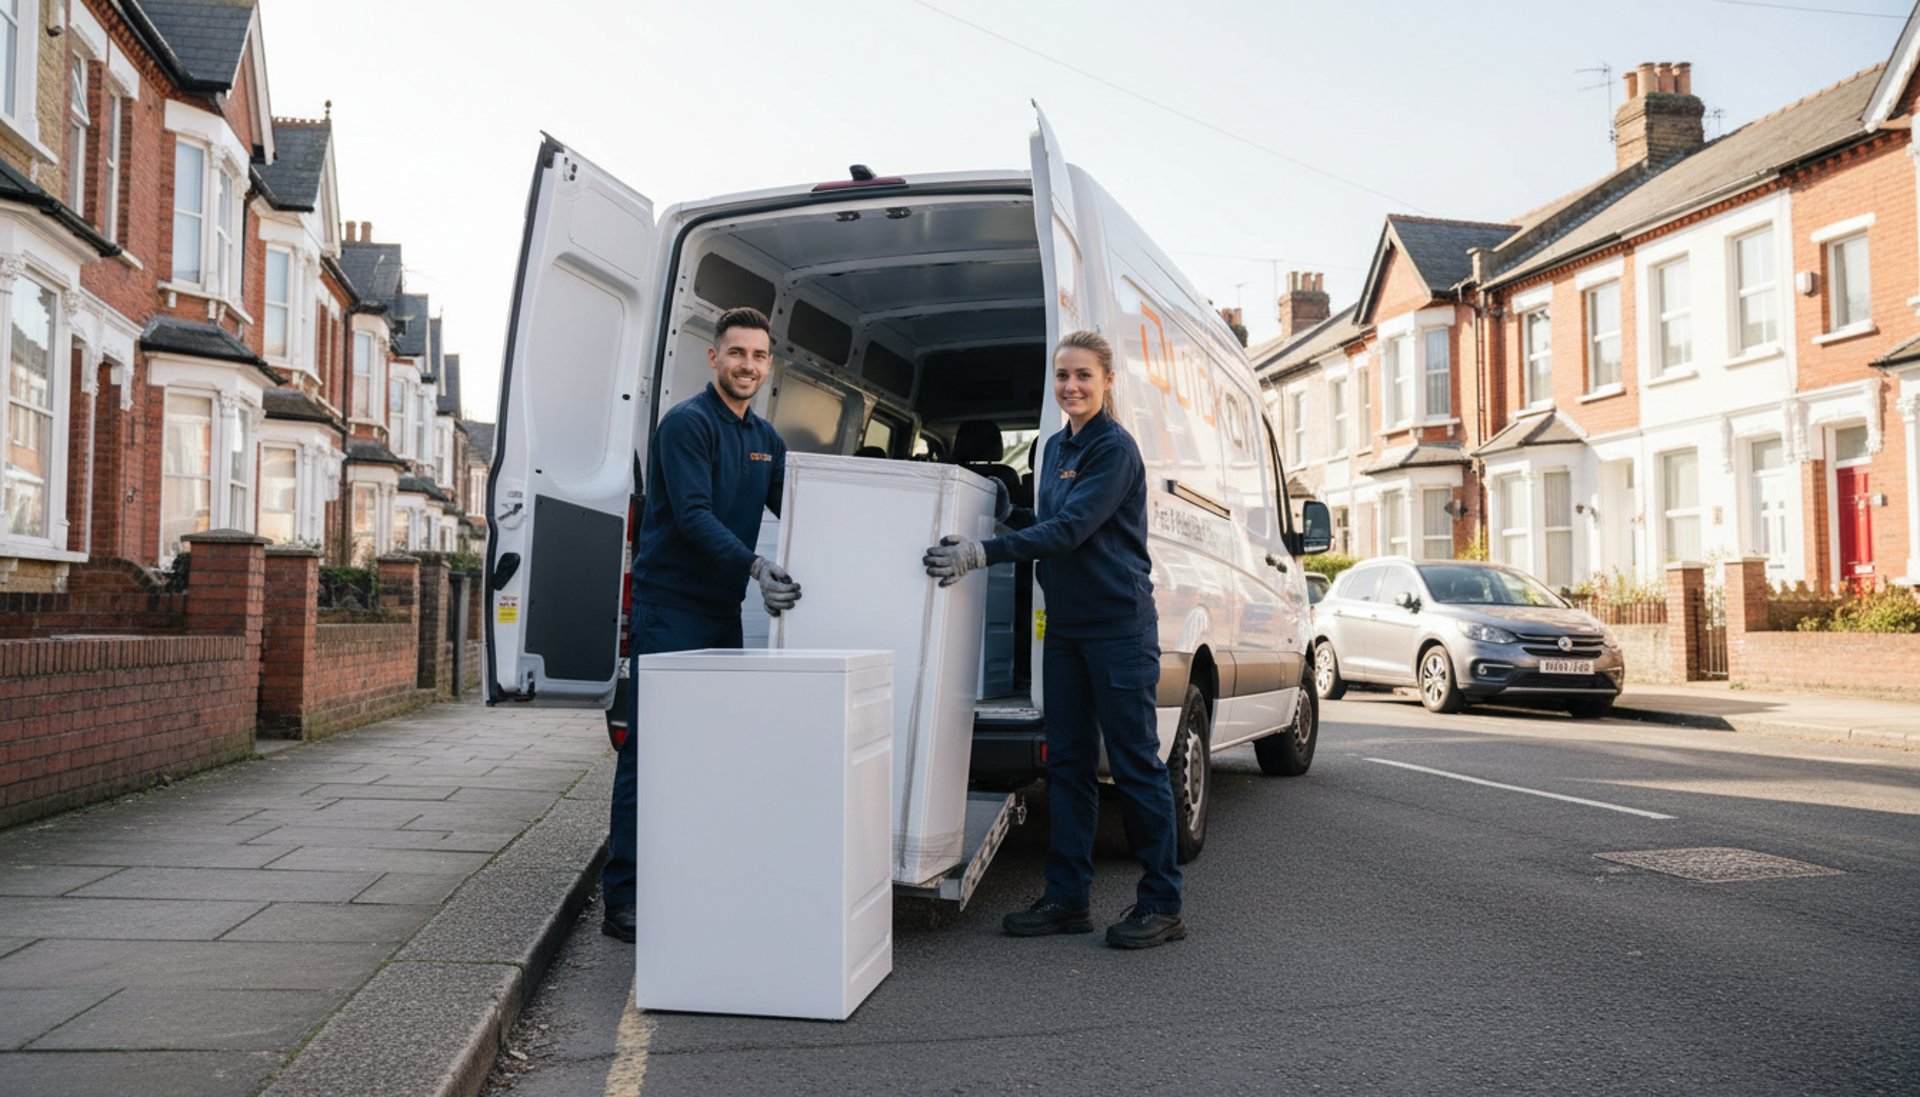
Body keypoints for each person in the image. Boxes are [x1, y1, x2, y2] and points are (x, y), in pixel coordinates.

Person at [922, 330, 1184, 949]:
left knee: (1135, 766)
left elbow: (1069, 530)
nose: (1071, 386)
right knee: (1066, 766)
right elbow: (1043, 520)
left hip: (1119, 629)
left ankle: (1163, 902)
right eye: (1063, 376)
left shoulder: (1113, 449)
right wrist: (985, 517)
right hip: (1065, 628)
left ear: (1107, 381)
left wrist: (984, 552)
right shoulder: (1052, 448)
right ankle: (1068, 899)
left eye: (1083, 376)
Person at [602, 306, 801, 943]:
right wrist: (756, 563)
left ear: (770, 366)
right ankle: (624, 899)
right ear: (713, 358)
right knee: (651, 753)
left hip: (719, 615)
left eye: (759, 356)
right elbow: (690, 515)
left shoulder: (767, 438)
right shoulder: (686, 426)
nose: (748, 365)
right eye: (737, 353)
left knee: (712, 753)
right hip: (671, 612)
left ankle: (690, 878)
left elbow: (803, 507)